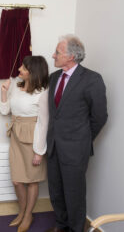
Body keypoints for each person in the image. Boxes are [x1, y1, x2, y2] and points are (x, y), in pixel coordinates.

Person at [46, 35, 108, 232]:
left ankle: (75, 229)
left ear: (71, 56)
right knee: (56, 192)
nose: (53, 55)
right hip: (54, 146)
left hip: (76, 149)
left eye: (57, 52)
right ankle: (61, 226)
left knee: (74, 194)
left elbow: (99, 116)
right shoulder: (54, 77)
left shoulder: (92, 79)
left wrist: (82, 139)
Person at [0, 56, 49, 232]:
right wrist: (4, 92)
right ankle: (22, 212)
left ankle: (28, 215)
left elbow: (43, 124)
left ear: (32, 72)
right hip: (16, 137)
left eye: (24, 68)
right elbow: (5, 111)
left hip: (33, 138)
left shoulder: (42, 93)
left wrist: (39, 151)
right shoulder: (18, 88)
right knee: (17, 180)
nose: (19, 69)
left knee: (32, 180)